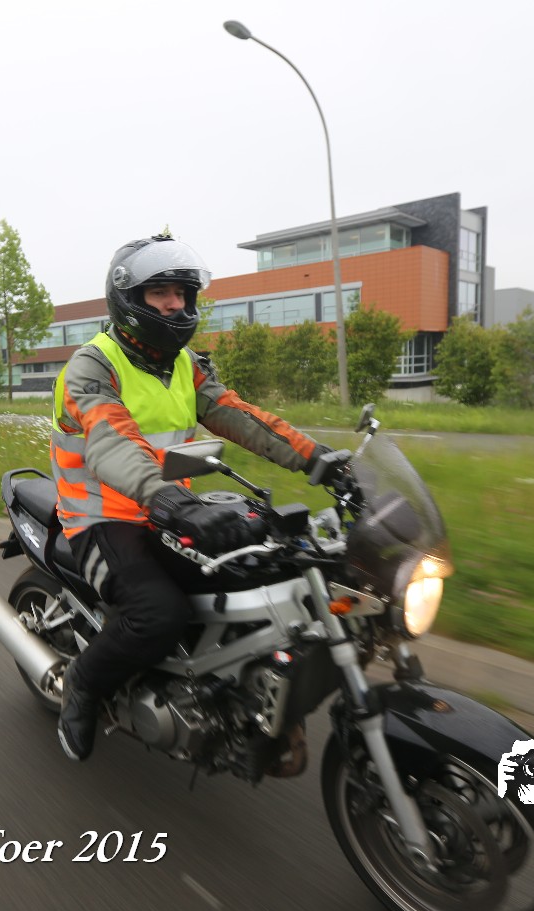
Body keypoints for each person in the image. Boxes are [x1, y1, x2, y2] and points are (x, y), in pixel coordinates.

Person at [50, 235, 331, 761]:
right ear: (128, 299)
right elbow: (111, 440)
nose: (175, 304)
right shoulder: (92, 367)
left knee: (261, 573)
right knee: (158, 612)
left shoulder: (185, 364)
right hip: (102, 517)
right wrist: (166, 499)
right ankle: (83, 684)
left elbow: (239, 416)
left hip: (168, 511)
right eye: (160, 293)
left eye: (182, 292)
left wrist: (317, 458)